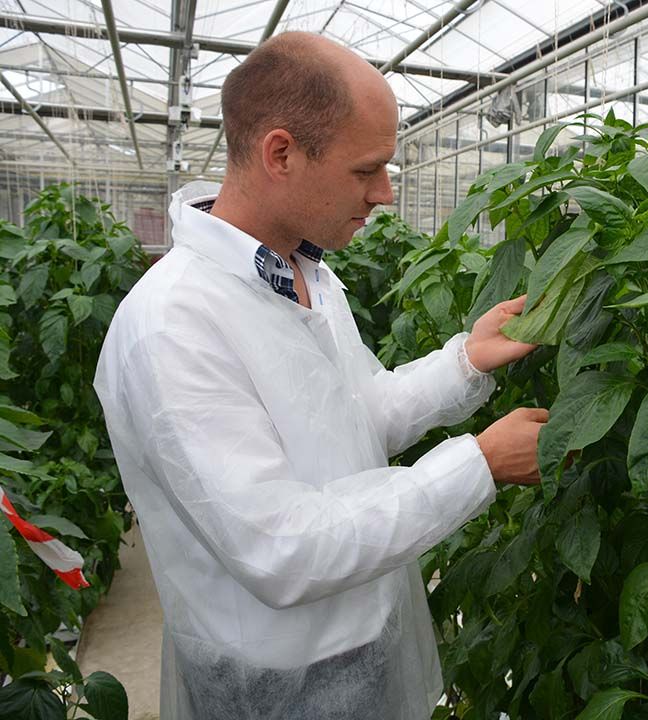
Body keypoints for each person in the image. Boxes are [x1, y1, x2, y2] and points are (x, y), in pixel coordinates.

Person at [93, 31, 547, 720]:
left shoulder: (302, 274)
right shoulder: (174, 325)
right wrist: (479, 464)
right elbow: (282, 548)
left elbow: (359, 416)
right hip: (276, 684)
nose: (386, 193)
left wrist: (466, 359)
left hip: (367, 642)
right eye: (367, 169)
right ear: (281, 153)